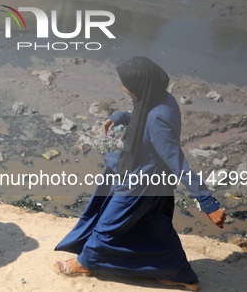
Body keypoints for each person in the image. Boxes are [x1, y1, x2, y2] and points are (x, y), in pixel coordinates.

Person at [54, 56, 226, 291]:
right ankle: (180, 274)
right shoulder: (163, 99)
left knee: (108, 224)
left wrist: (208, 203)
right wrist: (120, 117)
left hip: (142, 182)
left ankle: (84, 263)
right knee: (156, 226)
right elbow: (141, 116)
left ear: (143, 86)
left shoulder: (157, 119)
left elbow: (178, 163)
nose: (125, 89)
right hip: (151, 178)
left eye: (129, 87)